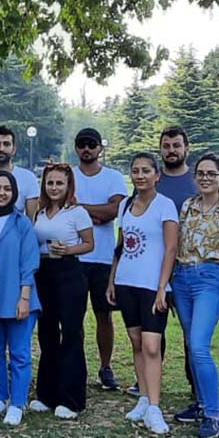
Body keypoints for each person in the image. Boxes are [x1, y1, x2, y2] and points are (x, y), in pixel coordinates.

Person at [170, 154, 219, 438]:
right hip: (182, 278)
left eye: (211, 174)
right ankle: (201, 404)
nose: (205, 178)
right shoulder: (188, 206)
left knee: (200, 346)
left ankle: (213, 414)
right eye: (201, 173)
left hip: (209, 279)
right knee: (191, 345)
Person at [106, 153, 178, 435]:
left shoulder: (165, 205)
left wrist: (162, 287)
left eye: (146, 170)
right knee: (136, 342)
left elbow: (171, 249)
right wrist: (112, 280)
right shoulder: (125, 205)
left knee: (151, 346)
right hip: (127, 282)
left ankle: (155, 408)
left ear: (157, 175)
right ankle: (144, 399)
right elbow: (121, 246)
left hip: (152, 286)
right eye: (135, 171)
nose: (140, 175)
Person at [29, 163, 94, 421]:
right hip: (44, 272)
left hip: (69, 272)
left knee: (70, 333)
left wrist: (69, 250)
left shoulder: (77, 212)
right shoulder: (40, 212)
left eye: (59, 183)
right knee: (47, 333)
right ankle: (47, 394)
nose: (54, 188)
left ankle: (71, 398)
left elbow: (89, 244)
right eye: (50, 183)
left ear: (68, 186)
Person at [0, 171, 41, 427]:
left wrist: (24, 297)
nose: (1, 193)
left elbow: (29, 261)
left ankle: (17, 403)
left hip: (17, 289)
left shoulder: (21, 223)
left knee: (19, 351)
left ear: (14, 193)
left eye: (7, 188)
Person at [72, 127, 128, 392]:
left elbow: (115, 210)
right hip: (74, 255)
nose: (87, 149)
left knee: (104, 314)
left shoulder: (113, 177)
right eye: (82, 144)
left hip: (104, 258)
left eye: (91, 144)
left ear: (100, 148)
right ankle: (77, 366)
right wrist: (95, 214)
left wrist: (80, 209)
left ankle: (106, 367)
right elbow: (62, 206)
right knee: (74, 316)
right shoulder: (69, 175)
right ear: (76, 148)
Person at [156, 125, 200, 416]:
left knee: (192, 333)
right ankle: (149, 380)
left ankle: (197, 386)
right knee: (153, 328)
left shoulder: (198, 180)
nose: (171, 151)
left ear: (186, 148)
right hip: (156, 265)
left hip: (190, 266)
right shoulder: (153, 180)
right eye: (166, 146)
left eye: (176, 145)